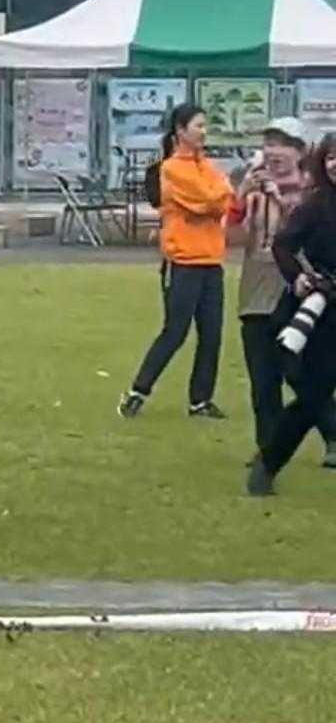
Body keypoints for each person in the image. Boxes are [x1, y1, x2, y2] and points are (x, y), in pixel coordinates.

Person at [230, 117, 336, 465]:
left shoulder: (315, 194)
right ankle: (267, 450)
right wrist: (241, 197)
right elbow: (230, 239)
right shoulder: (254, 190)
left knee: (303, 375)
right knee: (263, 378)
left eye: (283, 144)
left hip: (300, 296)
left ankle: (331, 434)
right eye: (268, 143)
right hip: (256, 293)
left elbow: (303, 240)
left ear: (301, 151)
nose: (273, 152)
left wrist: (279, 200)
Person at [119, 104, 231, 420]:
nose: (203, 132)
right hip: (182, 262)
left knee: (211, 334)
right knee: (175, 331)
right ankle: (138, 391)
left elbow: (223, 199)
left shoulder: (207, 167)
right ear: (180, 130)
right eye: (198, 126)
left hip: (211, 261)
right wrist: (215, 198)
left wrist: (217, 197)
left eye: (205, 126)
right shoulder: (171, 169)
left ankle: (201, 400)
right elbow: (207, 201)